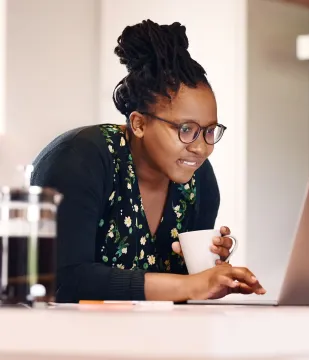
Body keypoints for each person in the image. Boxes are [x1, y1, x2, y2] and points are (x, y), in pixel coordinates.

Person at [31, 20, 266, 303]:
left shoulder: (199, 180)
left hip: (153, 338)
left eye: (209, 131)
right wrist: (191, 286)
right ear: (139, 123)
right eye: (186, 129)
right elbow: (63, 280)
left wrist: (208, 270)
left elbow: (183, 293)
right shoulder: (80, 159)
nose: (202, 148)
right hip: (61, 340)